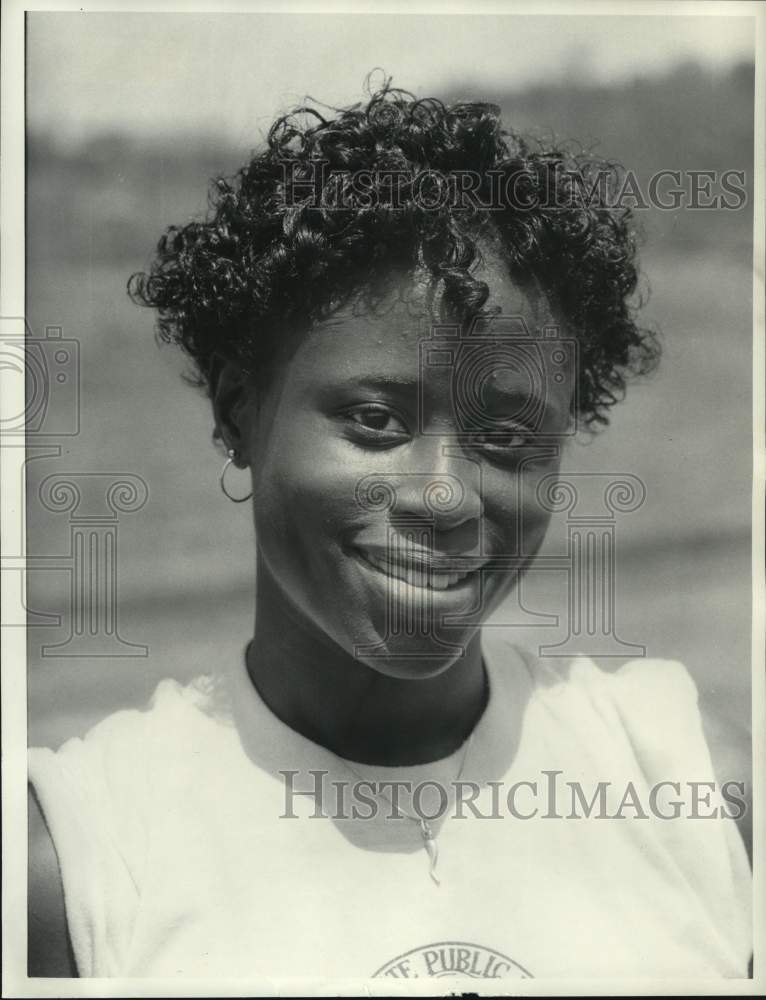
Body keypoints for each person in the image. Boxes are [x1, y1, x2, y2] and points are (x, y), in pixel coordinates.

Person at [28, 80, 751, 981]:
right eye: (375, 422)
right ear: (238, 408)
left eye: (505, 439)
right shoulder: (79, 859)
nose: (444, 498)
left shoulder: (689, 783)